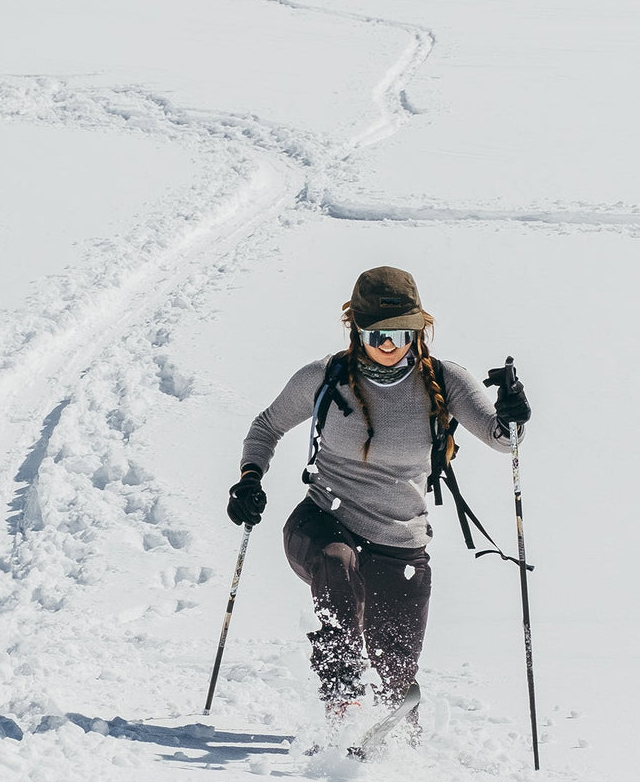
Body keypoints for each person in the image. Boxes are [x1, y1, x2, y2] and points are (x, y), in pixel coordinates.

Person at [226, 266, 531, 720]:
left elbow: (504, 439)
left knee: (398, 680)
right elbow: (266, 426)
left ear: (419, 331)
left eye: (401, 335)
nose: (389, 347)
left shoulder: (445, 381)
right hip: (323, 520)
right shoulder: (325, 376)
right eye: (376, 337)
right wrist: (251, 477)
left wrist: (512, 415)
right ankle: (342, 702)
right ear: (355, 331)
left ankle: (398, 746)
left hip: (400, 540)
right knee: (336, 563)